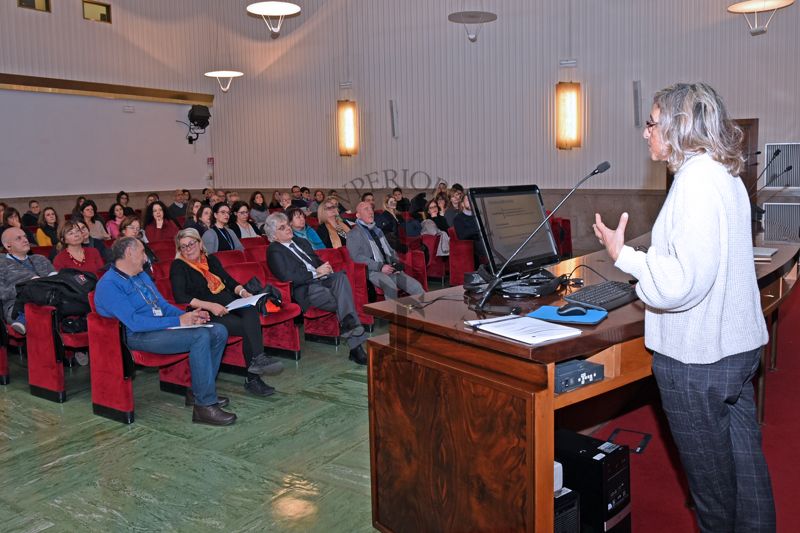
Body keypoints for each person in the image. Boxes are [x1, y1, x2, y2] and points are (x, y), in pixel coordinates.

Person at [593, 83, 774, 533]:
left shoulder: (694, 182)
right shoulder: (724, 173)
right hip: (735, 350)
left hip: (699, 362)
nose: (645, 133)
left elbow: (681, 284)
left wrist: (625, 257)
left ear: (678, 127)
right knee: (746, 474)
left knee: (711, 494)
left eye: (652, 123)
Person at [94, 236, 236, 426]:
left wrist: (190, 317)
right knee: (200, 336)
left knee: (218, 331)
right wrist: (178, 320)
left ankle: (197, 391)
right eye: (142, 252)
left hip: (159, 327)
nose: (146, 258)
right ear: (129, 253)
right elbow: (134, 322)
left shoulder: (141, 275)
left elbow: (161, 305)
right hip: (136, 336)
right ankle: (204, 406)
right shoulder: (109, 284)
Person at [170, 228, 283, 396]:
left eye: (191, 244)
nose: (188, 249)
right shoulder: (179, 266)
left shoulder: (210, 260)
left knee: (251, 312)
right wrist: (210, 306)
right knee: (247, 327)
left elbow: (229, 281)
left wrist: (243, 292)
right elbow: (180, 297)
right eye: (183, 247)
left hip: (230, 303)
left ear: (200, 244)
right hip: (207, 311)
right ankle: (253, 379)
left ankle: (258, 359)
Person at [265, 213, 368, 365]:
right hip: (305, 288)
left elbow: (315, 260)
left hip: (323, 279)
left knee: (341, 277)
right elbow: (286, 276)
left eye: (287, 224)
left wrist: (325, 267)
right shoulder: (274, 250)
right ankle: (356, 346)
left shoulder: (301, 242)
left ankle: (351, 333)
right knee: (342, 299)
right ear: (274, 235)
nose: (288, 228)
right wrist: (315, 273)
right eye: (282, 227)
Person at [347, 201, 424, 300]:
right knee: (390, 287)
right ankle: (392, 314)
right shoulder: (354, 234)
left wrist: (395, 264)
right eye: (366, 209)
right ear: (358, 215)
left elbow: (390, 251)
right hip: (372, 270)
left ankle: (427, 312)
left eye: (371, 209)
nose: (371, 212)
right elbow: (356, 257)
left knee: (416, 286)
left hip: (388, 267)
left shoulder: (378, 230)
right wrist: (380, 267)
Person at [0, 227, 56, 334]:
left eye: (25, 237)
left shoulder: (40, 259)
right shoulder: (2, 263)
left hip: (50, 299)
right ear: (8, 246)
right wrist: (26, 286)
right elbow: (2, 292)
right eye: (18, 238)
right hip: (17, 306)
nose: (25, 240)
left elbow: (56, 281)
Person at [453, 194, 487, 264]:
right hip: (472, 246)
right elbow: (461, 236)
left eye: (471, 200)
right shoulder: (458, 218)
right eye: (468, 200)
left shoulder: (480, 216)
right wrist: (478, 229)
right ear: (462, 204)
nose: (471, 202)